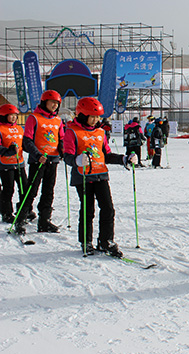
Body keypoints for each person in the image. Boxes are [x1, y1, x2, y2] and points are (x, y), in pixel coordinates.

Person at [63, 97, 138, 257]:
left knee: (108, 209)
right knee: (88, 210)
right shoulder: (72, 132)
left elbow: (106, 155)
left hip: (101, 175)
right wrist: (77, 160)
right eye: (92, 116)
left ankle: (106, 241)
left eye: (98, 117)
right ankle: (86, 241)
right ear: (82, 115)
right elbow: (67, 155)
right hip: (83, 177)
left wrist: (124, 159)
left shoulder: (100, 132)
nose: (96, 120)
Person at [20, 90, 65, 233]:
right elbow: (27, 140)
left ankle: (44, 220)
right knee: (31, 190)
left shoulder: (58, 120)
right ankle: (21, 218)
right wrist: (37, 154)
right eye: (52, 102)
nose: (54, 106)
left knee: (48, 191)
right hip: (38, 160)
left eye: (57, 104)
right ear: (45, 102)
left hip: (53, 159)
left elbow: (61, 138)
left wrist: (63, 150)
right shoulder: (34, 118)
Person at [0, 104, 28, 233]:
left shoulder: (19, 129)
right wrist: (9, 151)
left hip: (19, 163)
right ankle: (7, 212)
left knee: (24, 188)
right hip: (5, 164)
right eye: (11, 115)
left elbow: (24, 144)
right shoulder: (1, 129)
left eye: (15, 116)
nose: (13, 118)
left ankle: (23, 210)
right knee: (8, 189)